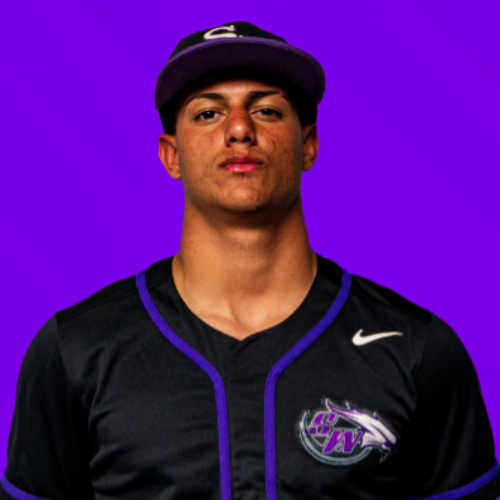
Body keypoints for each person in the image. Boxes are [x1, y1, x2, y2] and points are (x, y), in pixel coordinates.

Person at [1, 21, 498, 500]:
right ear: (171, 155)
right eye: (208, 113)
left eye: (266, 111)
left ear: (308, 145)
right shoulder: (76, 350)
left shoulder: (416, 350)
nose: (239, 129)